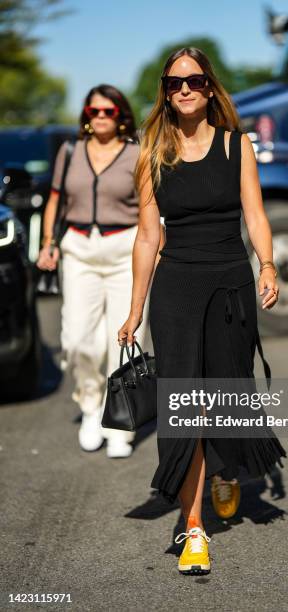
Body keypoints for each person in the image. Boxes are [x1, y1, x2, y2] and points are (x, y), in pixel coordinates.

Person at [118, 48, 287, 574]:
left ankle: (226, 466)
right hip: (176, 290)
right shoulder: (152, 154)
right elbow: (148, 237)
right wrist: (135, 310)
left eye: (193, 80)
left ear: (210, 88)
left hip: (231, 286)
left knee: (226, 392)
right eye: (174, 83)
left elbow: (255, 214)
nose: (184, 89)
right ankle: (194, 529)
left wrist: (269, 265)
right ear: (166, 92)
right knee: (185, 407)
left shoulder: (238, 147)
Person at [37, 83, 156, 458]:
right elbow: (55, 197)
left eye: (109, 111)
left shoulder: (137, 153)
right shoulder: (69, 152)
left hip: (126, 251)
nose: (101, 117)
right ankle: (90, 407)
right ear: (86, 116)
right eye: (94, 111)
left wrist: (157, 249)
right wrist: (47, 243)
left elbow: (150, 206)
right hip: (79, 251)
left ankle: (120, 423)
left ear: (121, 115)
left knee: (122, 340)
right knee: (77, 340)